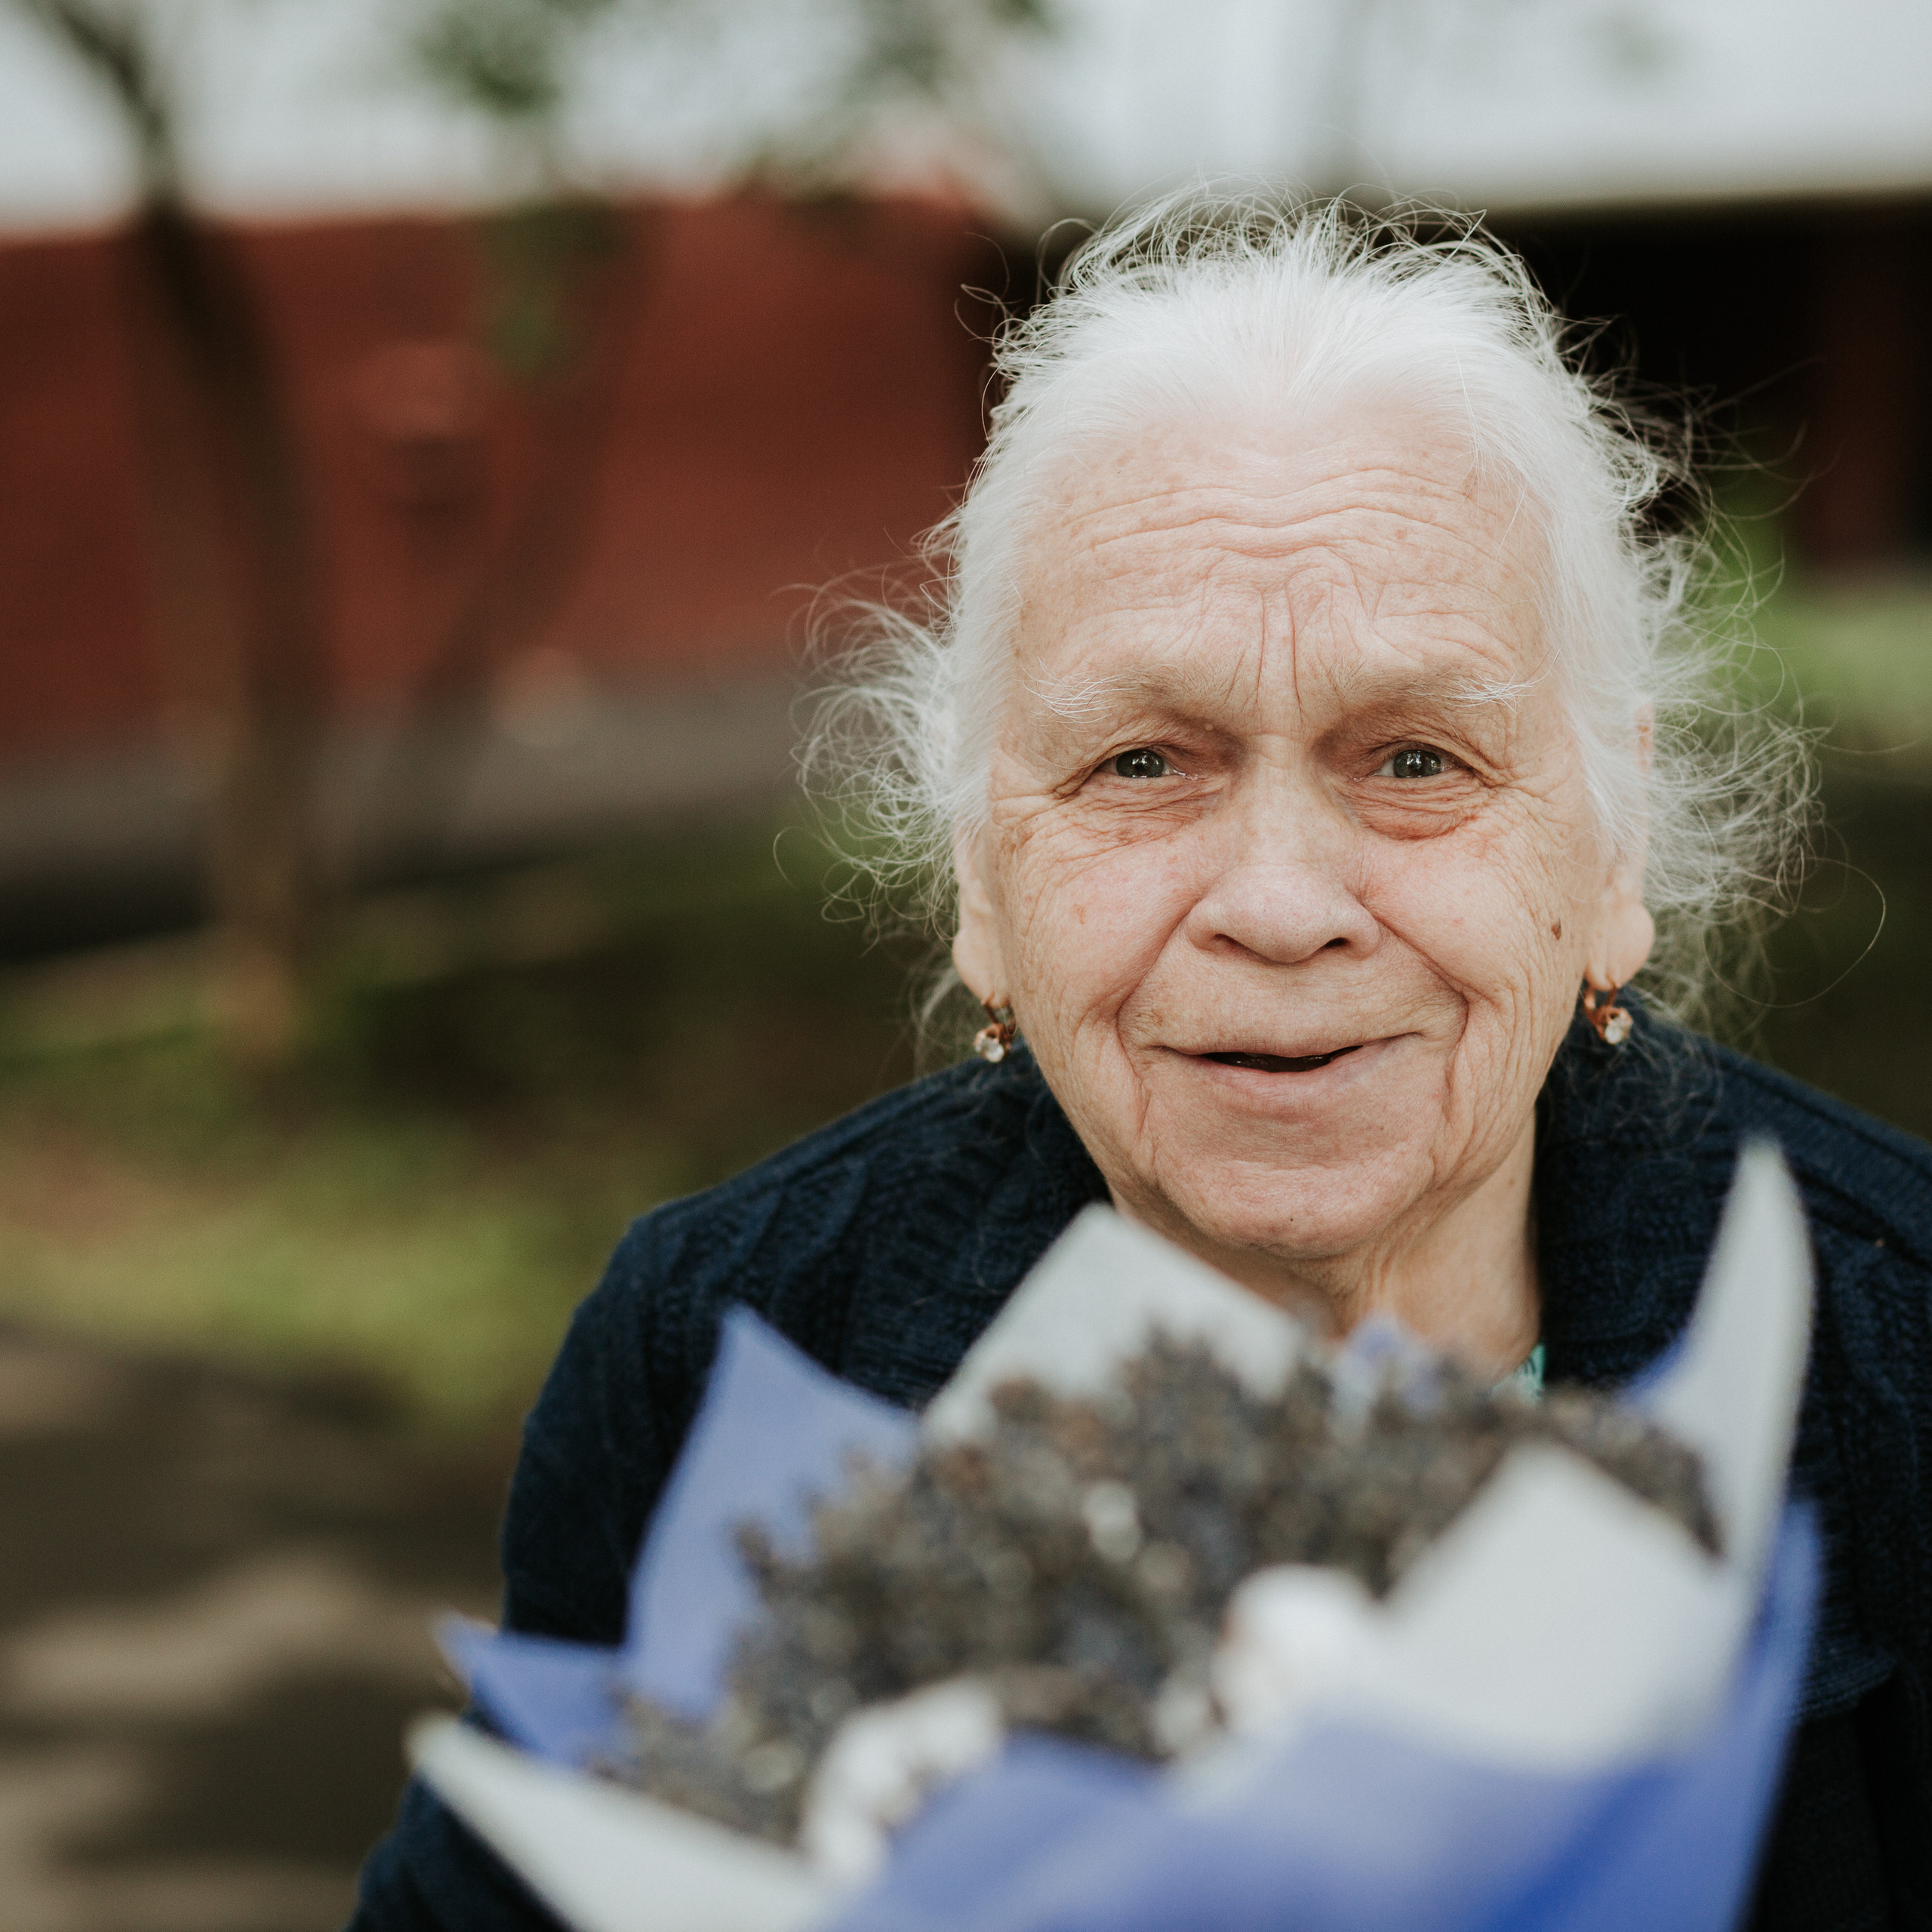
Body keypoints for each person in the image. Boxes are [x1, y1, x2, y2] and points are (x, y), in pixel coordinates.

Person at [349, 200, 1931, 1930]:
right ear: (982, 874)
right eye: (1140, 762)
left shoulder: (1902, 1355)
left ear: (1606, 848)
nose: (1279, 903)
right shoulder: (722, 1335)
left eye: (1412, 757)